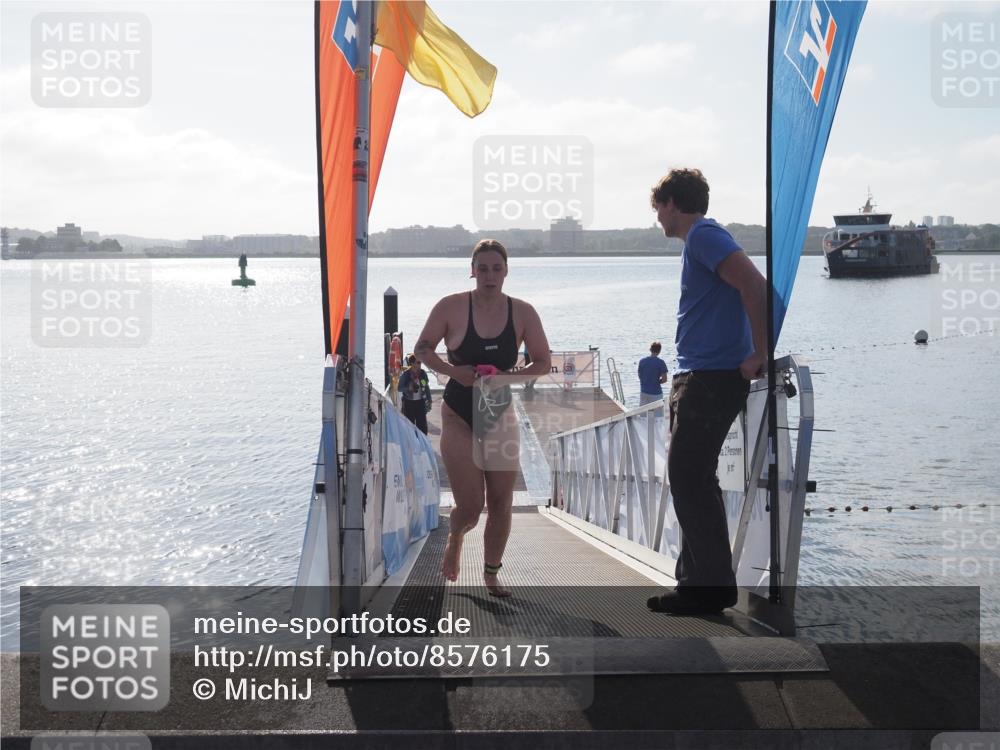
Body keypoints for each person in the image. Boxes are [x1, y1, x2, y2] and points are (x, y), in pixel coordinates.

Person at [647, 168, 767, 616]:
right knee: (693, 480)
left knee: (688, 477)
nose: (657, 217)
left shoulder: (704, 236)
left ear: (672, 203)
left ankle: (708, 588)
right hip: (697, 375)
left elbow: (754, 285)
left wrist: (759, 352)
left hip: (712, 377)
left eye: (658, 207)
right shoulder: (700, 240)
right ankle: (698, 583)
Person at [414, 239, 551, 597]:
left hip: (498, 412)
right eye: (483, 268)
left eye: (497, 268)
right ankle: (456, 535)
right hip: (459, 412)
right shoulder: (452, 306)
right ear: (472, 270)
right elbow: (423, 348)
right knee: (472, 506)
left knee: (502, 502)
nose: (490, 275)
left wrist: (505, 377)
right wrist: (452, 372)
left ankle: (491, 574)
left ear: (506, 271)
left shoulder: (523, 312)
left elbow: (542, 362)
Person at [396, 354, 432, 435]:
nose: (420, 364)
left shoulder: (423, 374)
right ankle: (411, 443)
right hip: (409, 403)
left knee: (422, 426)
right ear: (412, 364)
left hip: (420, 402)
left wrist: (429, 399)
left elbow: (426, 386)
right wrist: (408, 388)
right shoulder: (406, 375)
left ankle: (423, 443)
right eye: (418, 362)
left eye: (420, 362)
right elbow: (399, 388)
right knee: (409, 425)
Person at [637, 341, 669, 407]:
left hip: (644, 391)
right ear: (659, 351)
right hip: (656, 393)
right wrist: (657, 382)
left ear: (650, 349)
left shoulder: (642, 361)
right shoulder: (661, 362)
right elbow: (664, 379)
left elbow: (640, 376)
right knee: (658, 415)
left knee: (643, 414)